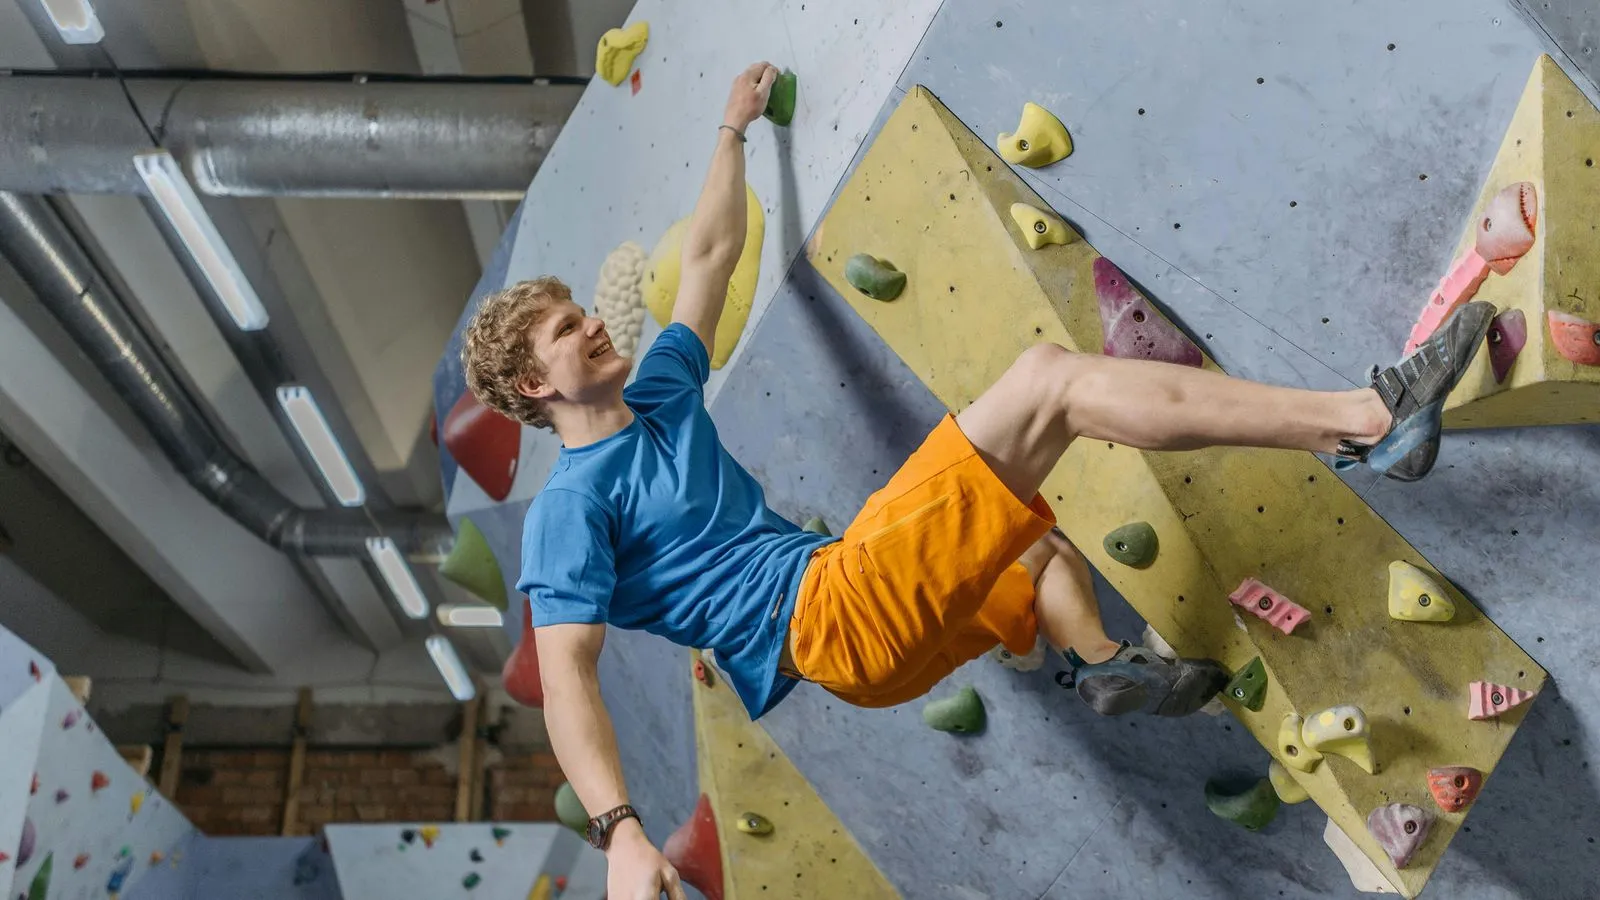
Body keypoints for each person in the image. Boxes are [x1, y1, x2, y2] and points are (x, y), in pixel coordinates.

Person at [460, 60, 1494, 900]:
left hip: (856, 642)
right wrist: (620, 831)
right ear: (532, 385)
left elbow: (711, 258)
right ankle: (1363, 422)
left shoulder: (661, 393)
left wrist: (732, 131)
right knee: (1048, 385)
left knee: (1030, 537)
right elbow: (568, 675)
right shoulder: (570, 507)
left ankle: (1096, 659)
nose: (591, 326)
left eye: (580, 312)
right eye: (567, 330)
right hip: (826, 614)